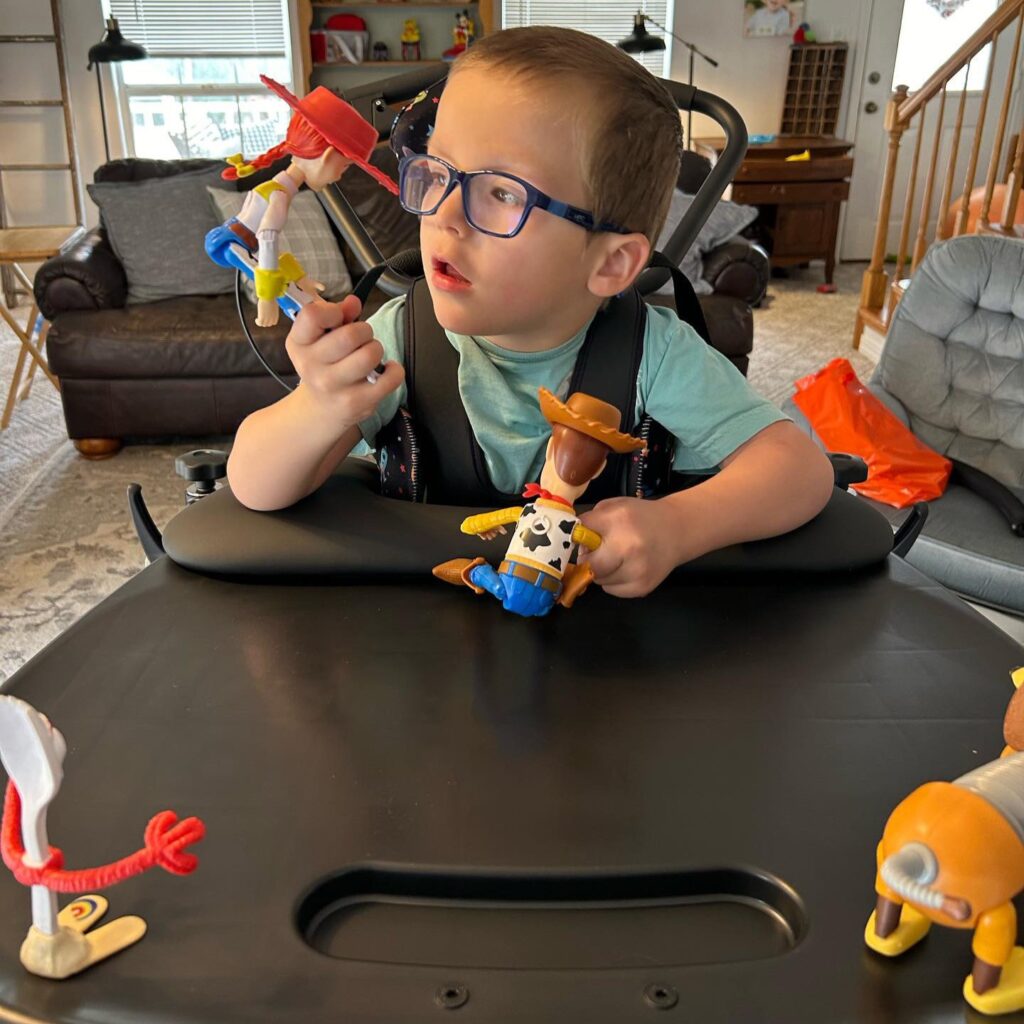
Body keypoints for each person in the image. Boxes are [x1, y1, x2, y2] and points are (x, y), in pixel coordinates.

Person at [227, 25, 834, 600]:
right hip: (418, 647)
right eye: (435, 170)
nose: (443, 215)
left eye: (502, 193)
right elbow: (253, 484)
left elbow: (800, 472)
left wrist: (678, 526)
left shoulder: (654, 355)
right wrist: (321, 405)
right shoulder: (395, 345)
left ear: (611, 265)